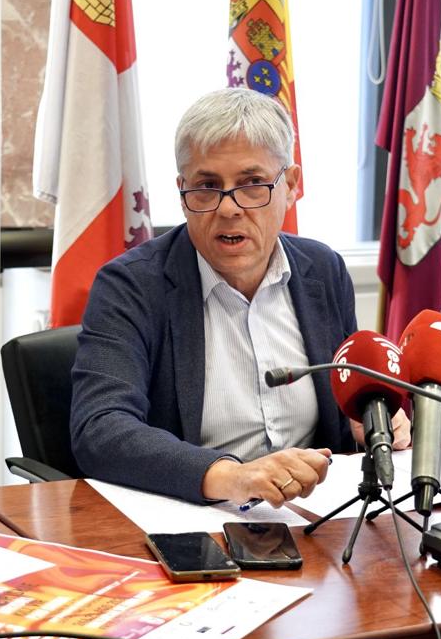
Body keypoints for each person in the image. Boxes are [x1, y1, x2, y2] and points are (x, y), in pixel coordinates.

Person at [70, 88, 410, 507]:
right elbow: (100, 428)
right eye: (207, 187)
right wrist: (230, 476)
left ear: (291, 185)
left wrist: (370, 415)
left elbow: (347, 392)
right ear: (182, 193)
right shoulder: (132, 286)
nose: (229, 208)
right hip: (193, 518)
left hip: (316, 516)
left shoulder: (322, 271)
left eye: (252, 184)